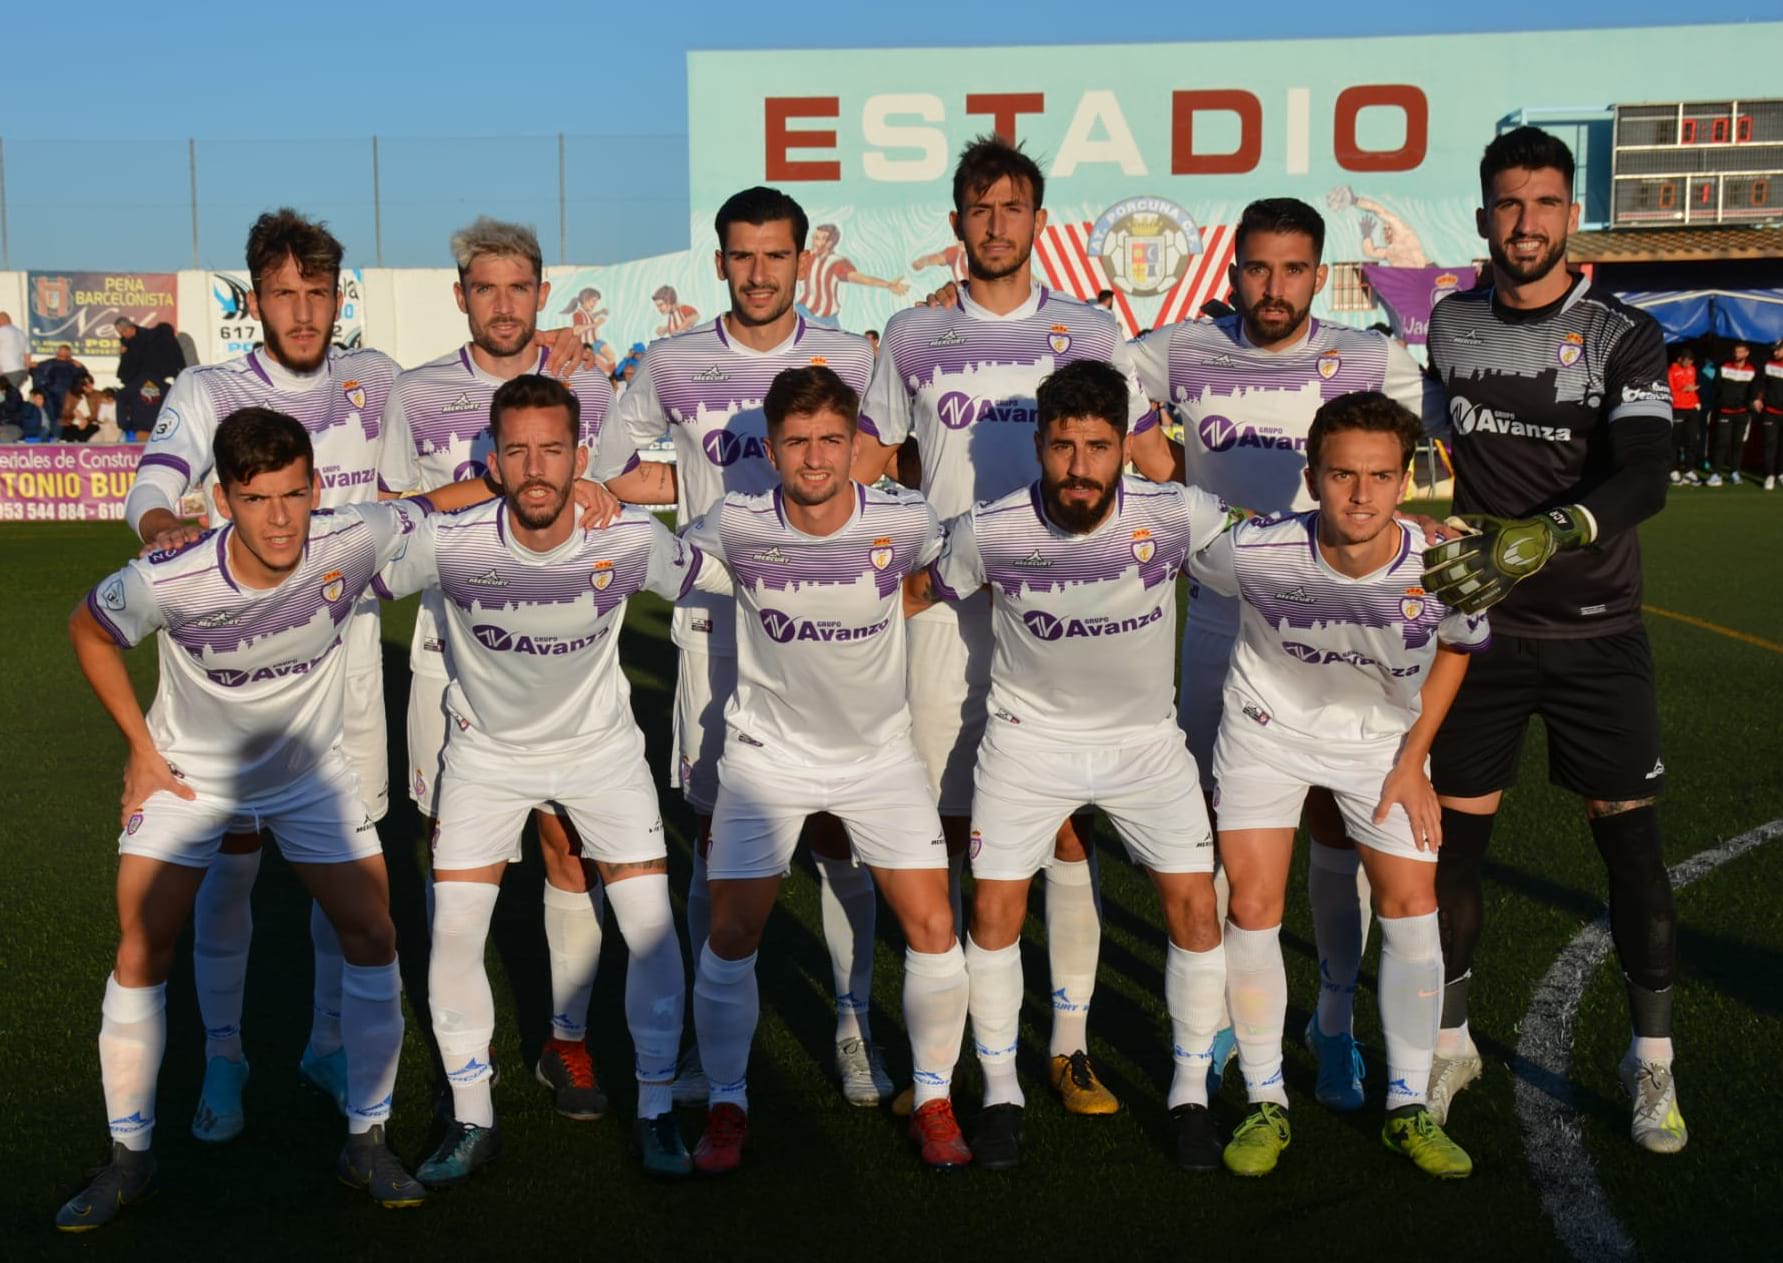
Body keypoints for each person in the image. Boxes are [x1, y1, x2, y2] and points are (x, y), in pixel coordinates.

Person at [852, 134, 1170, 1118]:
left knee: (1068, 827)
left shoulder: (1089, 332)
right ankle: (940, 1060)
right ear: (956, 225)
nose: (996, 226)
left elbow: (1152, 460)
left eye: (1013, 209)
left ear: (1038, 222)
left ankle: (1069, 1048)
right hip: (945, 613)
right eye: (979, 210)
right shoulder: (910, 334)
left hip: (1067, 615)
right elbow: (871, 465)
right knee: (948, 831)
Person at [56, 409, 435, 1231]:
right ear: (222, 496)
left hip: (306, 776)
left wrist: (563, 483)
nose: (279, 518)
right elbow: (89, 629)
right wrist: (141, 748)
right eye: (257, 498)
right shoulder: (169, 575)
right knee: (139, 944)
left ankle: (367, 1138)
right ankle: (129, 1158)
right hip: (193, 779)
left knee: (373, 933)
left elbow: (446, 503)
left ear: (315, 487)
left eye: (295, 494)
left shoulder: (353, 538)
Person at [1125, 196, 1450, 1112]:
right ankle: (1232, 1021)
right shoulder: (1180, 347)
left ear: (1319, 272)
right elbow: (1111, 388)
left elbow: (1409, 454)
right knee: (1225, 836)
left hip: (1343, 624)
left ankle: (1335, 1025)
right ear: (1233, 271)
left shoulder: (1372, 358)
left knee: (1337, 835)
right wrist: (1168, 473)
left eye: (1293, 269)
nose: (1274, 288)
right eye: (1257, 269)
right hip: (1226, 617)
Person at [378, 375, 720, 1184]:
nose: (536, 468)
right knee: (455, 926)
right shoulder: (448, 542)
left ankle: (656, 1107)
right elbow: (341, 566)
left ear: (579, 458)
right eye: (518, 450)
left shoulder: (627, 536)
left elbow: (722, 578)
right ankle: (472, 1117)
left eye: (554, 449)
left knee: (648, 923)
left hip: (599, 749)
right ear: (492, 461)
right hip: (487, 753)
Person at [592, 186, 891, 1108]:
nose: (759, 273)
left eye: (776, 255)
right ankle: (707, 1035)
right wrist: (686, 487)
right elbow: (611, 467)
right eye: (742, 255)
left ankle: (851, 1024)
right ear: (718, 261)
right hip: (715, 633)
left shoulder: (849, 354)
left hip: (830, 628)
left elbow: (882, 455)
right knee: (716, 839)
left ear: (802, 259)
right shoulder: (674, 361)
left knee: (842, 835)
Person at [1419, 127, 1683, 1154]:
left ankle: (1650, 1065)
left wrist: (1555, 531)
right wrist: (1428, 521)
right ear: (1483, 215)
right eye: (1506, 204)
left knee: (1632, 846)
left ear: (1569, 214)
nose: (1524, 223)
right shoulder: (1446, 322)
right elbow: (1434, 456)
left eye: (1543, 204)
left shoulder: (1621, 332)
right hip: (1479, 635)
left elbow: (1646, 472)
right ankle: (1450, 1043)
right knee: (1451, 846)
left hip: (1595, 633)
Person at [121, 209, 404, 1144]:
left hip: (347, 660)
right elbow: (154, 486)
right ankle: (228, 1057)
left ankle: (328, 1043)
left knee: (347, 876)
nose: (303, 309)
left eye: (318, 292)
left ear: (338, 295)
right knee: (230, 875)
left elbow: (406, 498)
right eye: (283, 292)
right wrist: (168, 534)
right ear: (255, 299)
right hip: (237, 673)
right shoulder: (209, 387)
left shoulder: (375, 381)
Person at [913, 359, 1233, 1172]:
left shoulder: (1176, 514)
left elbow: (1272, 551)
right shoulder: (991, 529)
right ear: (1040, 443)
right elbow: (912, 591)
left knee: (1196, 908)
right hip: (1027, 744)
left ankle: (1190, 1095)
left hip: (1145, 746)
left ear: (1123, 444)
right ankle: (1000, 1095)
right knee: (992, 913)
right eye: (1063, 446)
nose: (1080, 466)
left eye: (1097, 446)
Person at [377, 216, 652, 1121]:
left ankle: (564, 1039)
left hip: (564, 656)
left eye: (519, 288)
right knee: (449, 844)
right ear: (460, 296)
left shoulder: (590, 387)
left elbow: (607, 491)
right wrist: (491, 486)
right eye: (484, 288)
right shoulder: (416, 393)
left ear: (542, 291)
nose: (503, 304)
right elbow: (393, 512)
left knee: (566, 841)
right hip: (447, 657)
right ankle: (468, 1049)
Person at [681, 365, 969, 1175]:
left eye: (831, 440)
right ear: (769, 449)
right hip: (767, 758)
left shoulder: (904, 517)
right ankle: (729, 1103)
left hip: (879, 756)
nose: (814, 458)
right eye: (797, 442)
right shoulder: (735, 521)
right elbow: (660, 565)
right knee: (732, 932)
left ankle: (934, 1095)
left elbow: (941, 570)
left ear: (855, 445)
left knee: (934, 927)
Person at [1198, 389, 1486, 1180]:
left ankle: (1404, 1106)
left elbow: (1459, 647)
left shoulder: (1440, 562)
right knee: (1250, 902)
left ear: (1406, 479)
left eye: (1380, 476)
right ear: (1311, 475)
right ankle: (1265, 1099)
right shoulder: (1252, 550)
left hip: (1380, 748)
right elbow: (1169, 554)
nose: (1360, 494)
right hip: (1266, 732)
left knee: (1410, 905)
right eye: (1341, 475)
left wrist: (1413, 759)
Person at [795, 223, 908, 328]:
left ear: (831, 242)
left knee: (835, 347)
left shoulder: (836, 262)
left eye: (820, 238)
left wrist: (887, 284)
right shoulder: (804, 257)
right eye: (815, 237)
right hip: (803, 311)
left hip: (827, 318)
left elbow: (861, 278)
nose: (815, 242)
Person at [115, 316, 187, 440]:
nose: (123, 335)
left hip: (153, 380)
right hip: (141, 385)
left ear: (131, 328)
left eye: (123, 332)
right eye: (120, 333)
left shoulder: (151, 337)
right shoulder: (126, 343)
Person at [1706, 342, 1760, 487]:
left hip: (1742, 413)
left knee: (1738, 444)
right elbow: (1717, 387)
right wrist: (1723, 402)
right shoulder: (1724, 367)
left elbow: (1753, 390)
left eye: (1741, 352)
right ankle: (1716, 474)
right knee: (1721, 443)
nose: (1737, 355)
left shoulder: (1752, 369)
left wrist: (1752, 402)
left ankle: (1734, 472)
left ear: (1747, 353)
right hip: (1725, 412)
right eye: (1736, 352)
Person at [32, 344, 86, 436]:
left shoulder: (74, 364)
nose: (61, 353)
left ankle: (57, 439)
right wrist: (33, 366)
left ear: (69, 353)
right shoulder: (50, 363)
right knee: (52, 418)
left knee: (61, 419)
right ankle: (52, 438)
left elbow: (84, 377)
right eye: (60, 351)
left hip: (67, 397)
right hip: (50, 396)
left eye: (64, 351)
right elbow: (37, 368)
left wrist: (81, 367)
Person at [1668, 347, 1702, 485]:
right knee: (1675, 441)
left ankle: (1688, 470)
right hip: (1677, 409)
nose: (1688, 364)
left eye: (1691, 361)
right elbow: (1670, 392)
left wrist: (1696, 400)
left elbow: (1693, 386)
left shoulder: (1692, 369)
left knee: (1692, 440)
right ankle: (1673, 470)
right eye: (1686, 361)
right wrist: (1684, 390)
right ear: (1679, 359)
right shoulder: (1671, 371)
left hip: (1692, 409)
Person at [1758, 339, 1783, 490]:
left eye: (1778, 349)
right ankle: (1769, 475)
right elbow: (1761, 385)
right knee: (1770, 444)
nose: (1775, 352)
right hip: (1770, 412)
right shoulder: (1767, 364)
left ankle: (1781, 473)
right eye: (1774, 350)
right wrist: (1758, 399)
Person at [0, 309, 29, 394]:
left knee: (5, 398)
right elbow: (27, 355)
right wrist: (25, 373)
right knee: (14, 396)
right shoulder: (21, 333)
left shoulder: (2, 331)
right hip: (20, 371)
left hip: (7, 371)